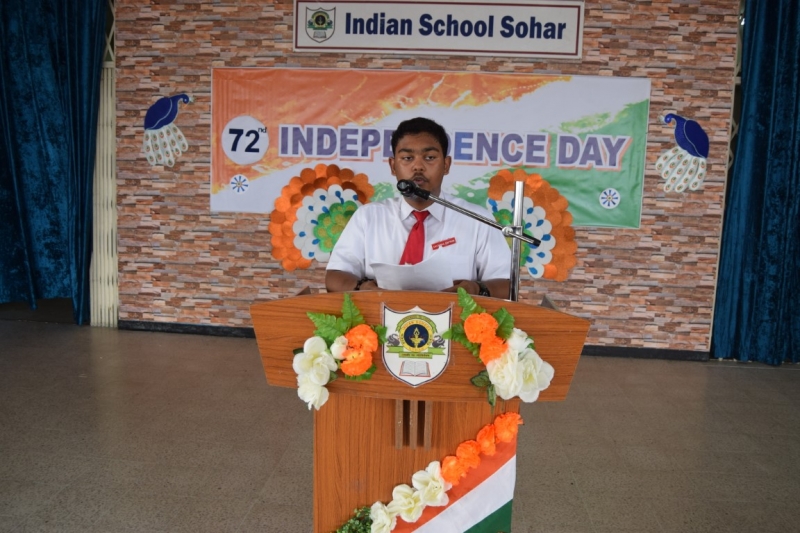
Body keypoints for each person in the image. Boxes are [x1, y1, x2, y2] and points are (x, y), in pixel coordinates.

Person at [325, 117, 511, 297]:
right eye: (407, 158)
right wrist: (362, 288)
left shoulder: (476, 219)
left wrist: (476, 289)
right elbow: (335, 276)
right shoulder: (368, 217)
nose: (418, 167)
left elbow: (506, 284)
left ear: (446, 165)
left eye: (429, 157)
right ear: (393, 166)